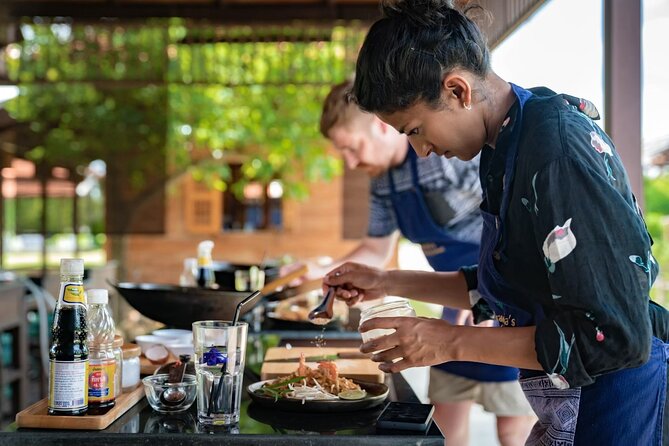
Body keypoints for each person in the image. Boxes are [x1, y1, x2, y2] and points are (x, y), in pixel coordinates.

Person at [323, 1, 669, 445]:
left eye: (413, 130)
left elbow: (614, 336)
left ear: (457, 91)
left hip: (620, 404)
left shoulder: (555, 150)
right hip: (566, 406)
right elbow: (500, 288)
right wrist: (385, 280)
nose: (421, 151)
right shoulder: (503, 145)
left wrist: (450, 341)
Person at [284, 79, 535, 445]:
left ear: (381, 125)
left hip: (503, 299)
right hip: (453, 303)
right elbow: (375, 248)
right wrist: (321, 271)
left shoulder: (447, 154)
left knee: (513, 427)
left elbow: (508, 220)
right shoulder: (382, 182)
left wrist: (487, 296)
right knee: (444, 421)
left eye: (352, 148)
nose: (351, 162)